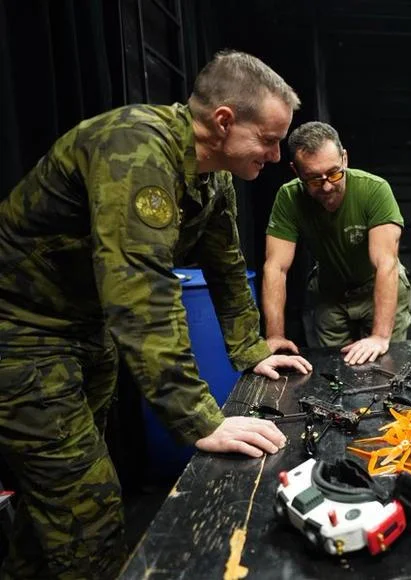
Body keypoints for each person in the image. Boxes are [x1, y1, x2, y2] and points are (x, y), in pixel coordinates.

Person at [0, 50, 313, 579]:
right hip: (22, 334)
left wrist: (250, 350)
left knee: (50, 499)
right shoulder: (137, 147)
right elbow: (140, 292)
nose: (279, 154)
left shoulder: (212, 177)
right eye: (269, 138)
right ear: (223, 121)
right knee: (87, 508)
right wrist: (199, 418)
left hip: (86, 332)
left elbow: (226, 266)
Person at [263, 121, 411, 365]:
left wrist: (380, 336)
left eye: (334, 173)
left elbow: (386, 263)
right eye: (313, 179)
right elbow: (275, 268)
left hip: (377, 285)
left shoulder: (374, 190)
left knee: (384, 366)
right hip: (329, 292)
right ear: (296, 171)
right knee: (332, 370)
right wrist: (275, 336)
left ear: (344, 158)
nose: (327, 185)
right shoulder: (289, 197)